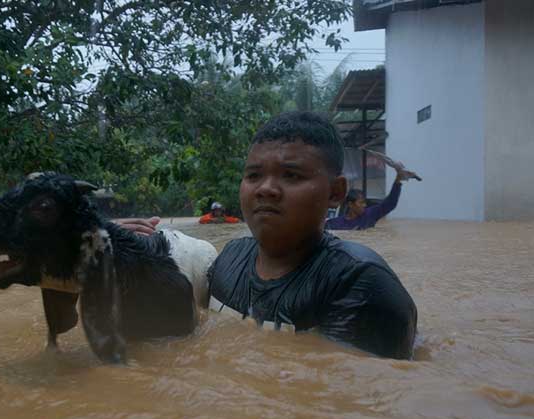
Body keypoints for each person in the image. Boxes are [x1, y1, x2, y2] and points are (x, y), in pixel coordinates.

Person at [119, 112, 417, 359]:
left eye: (291, 176)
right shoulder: (228, 260)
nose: (265, 189)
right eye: (253, 176)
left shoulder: (360, 284)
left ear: (336, 193)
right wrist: (116, 251)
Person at [325, 165, 416, 230]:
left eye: (364, 202)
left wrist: (398, 180)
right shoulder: (334, 224)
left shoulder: (369, 215)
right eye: (361, 202)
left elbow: (390, 203)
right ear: (350, 204)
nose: (364, 205)